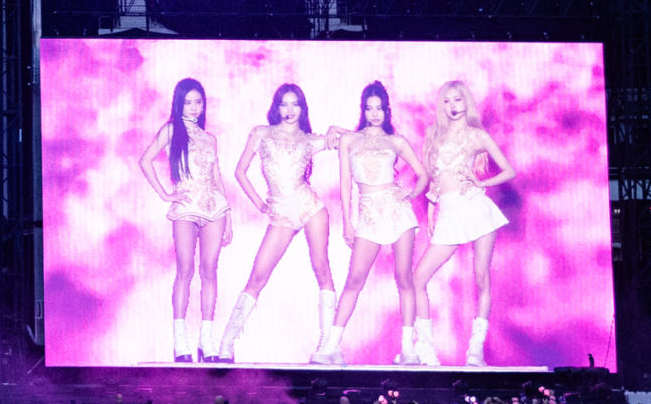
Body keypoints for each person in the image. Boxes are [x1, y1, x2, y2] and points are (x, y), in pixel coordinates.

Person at [212, 84, 336, 366]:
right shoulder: (261, 133)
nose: (290, 110)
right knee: (257, 276)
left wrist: (334, 128)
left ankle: (327, 344)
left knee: (322, 268)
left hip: (311, 207)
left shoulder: (309, 140)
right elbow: (239, 172)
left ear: (302, 108)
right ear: (276, 106)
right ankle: (226, 344)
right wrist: (259, 203)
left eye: (295, 104)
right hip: (281, 214)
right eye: (284, 104)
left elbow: (346, 138)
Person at [413, 80, 518, 367]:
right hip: (448, 211)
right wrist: (433, 212)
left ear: (466, 102)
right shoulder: (433, 136)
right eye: (447, 101)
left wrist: (481, 182)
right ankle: (425, 349)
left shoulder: (477, 135)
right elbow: (435, 179)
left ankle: (476, 350)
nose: (453, 106)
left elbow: (509, 171)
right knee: (418, 277)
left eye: (458, 100)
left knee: (481, 277)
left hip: (475, 207)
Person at [321, 82, 426, 366]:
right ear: (363, 110)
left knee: (404, 279)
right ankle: (331, 345)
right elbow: (345, 185)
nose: (375, 113)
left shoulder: (397, 141)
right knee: (354, 280)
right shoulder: (350, 141)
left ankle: (408, 349)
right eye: (370, 108)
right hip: (367, 215)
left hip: (398, 212)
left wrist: (411, 193)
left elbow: (423, 175)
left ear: (386, 110)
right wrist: (347, 222)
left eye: (379, 108)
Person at [136, 76, 226, 364]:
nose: (194, 107)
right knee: (185, 270)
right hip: (186, 205)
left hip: (215, 207)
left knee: (210, 270)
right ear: (179, 103)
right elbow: (145, 160)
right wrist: (165, 194)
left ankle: (207, 339)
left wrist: (230, 215)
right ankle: (180, 339)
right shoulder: (172, 129)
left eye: (198, 102)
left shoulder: (210, 138)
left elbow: (216, 175)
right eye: (188, 102)